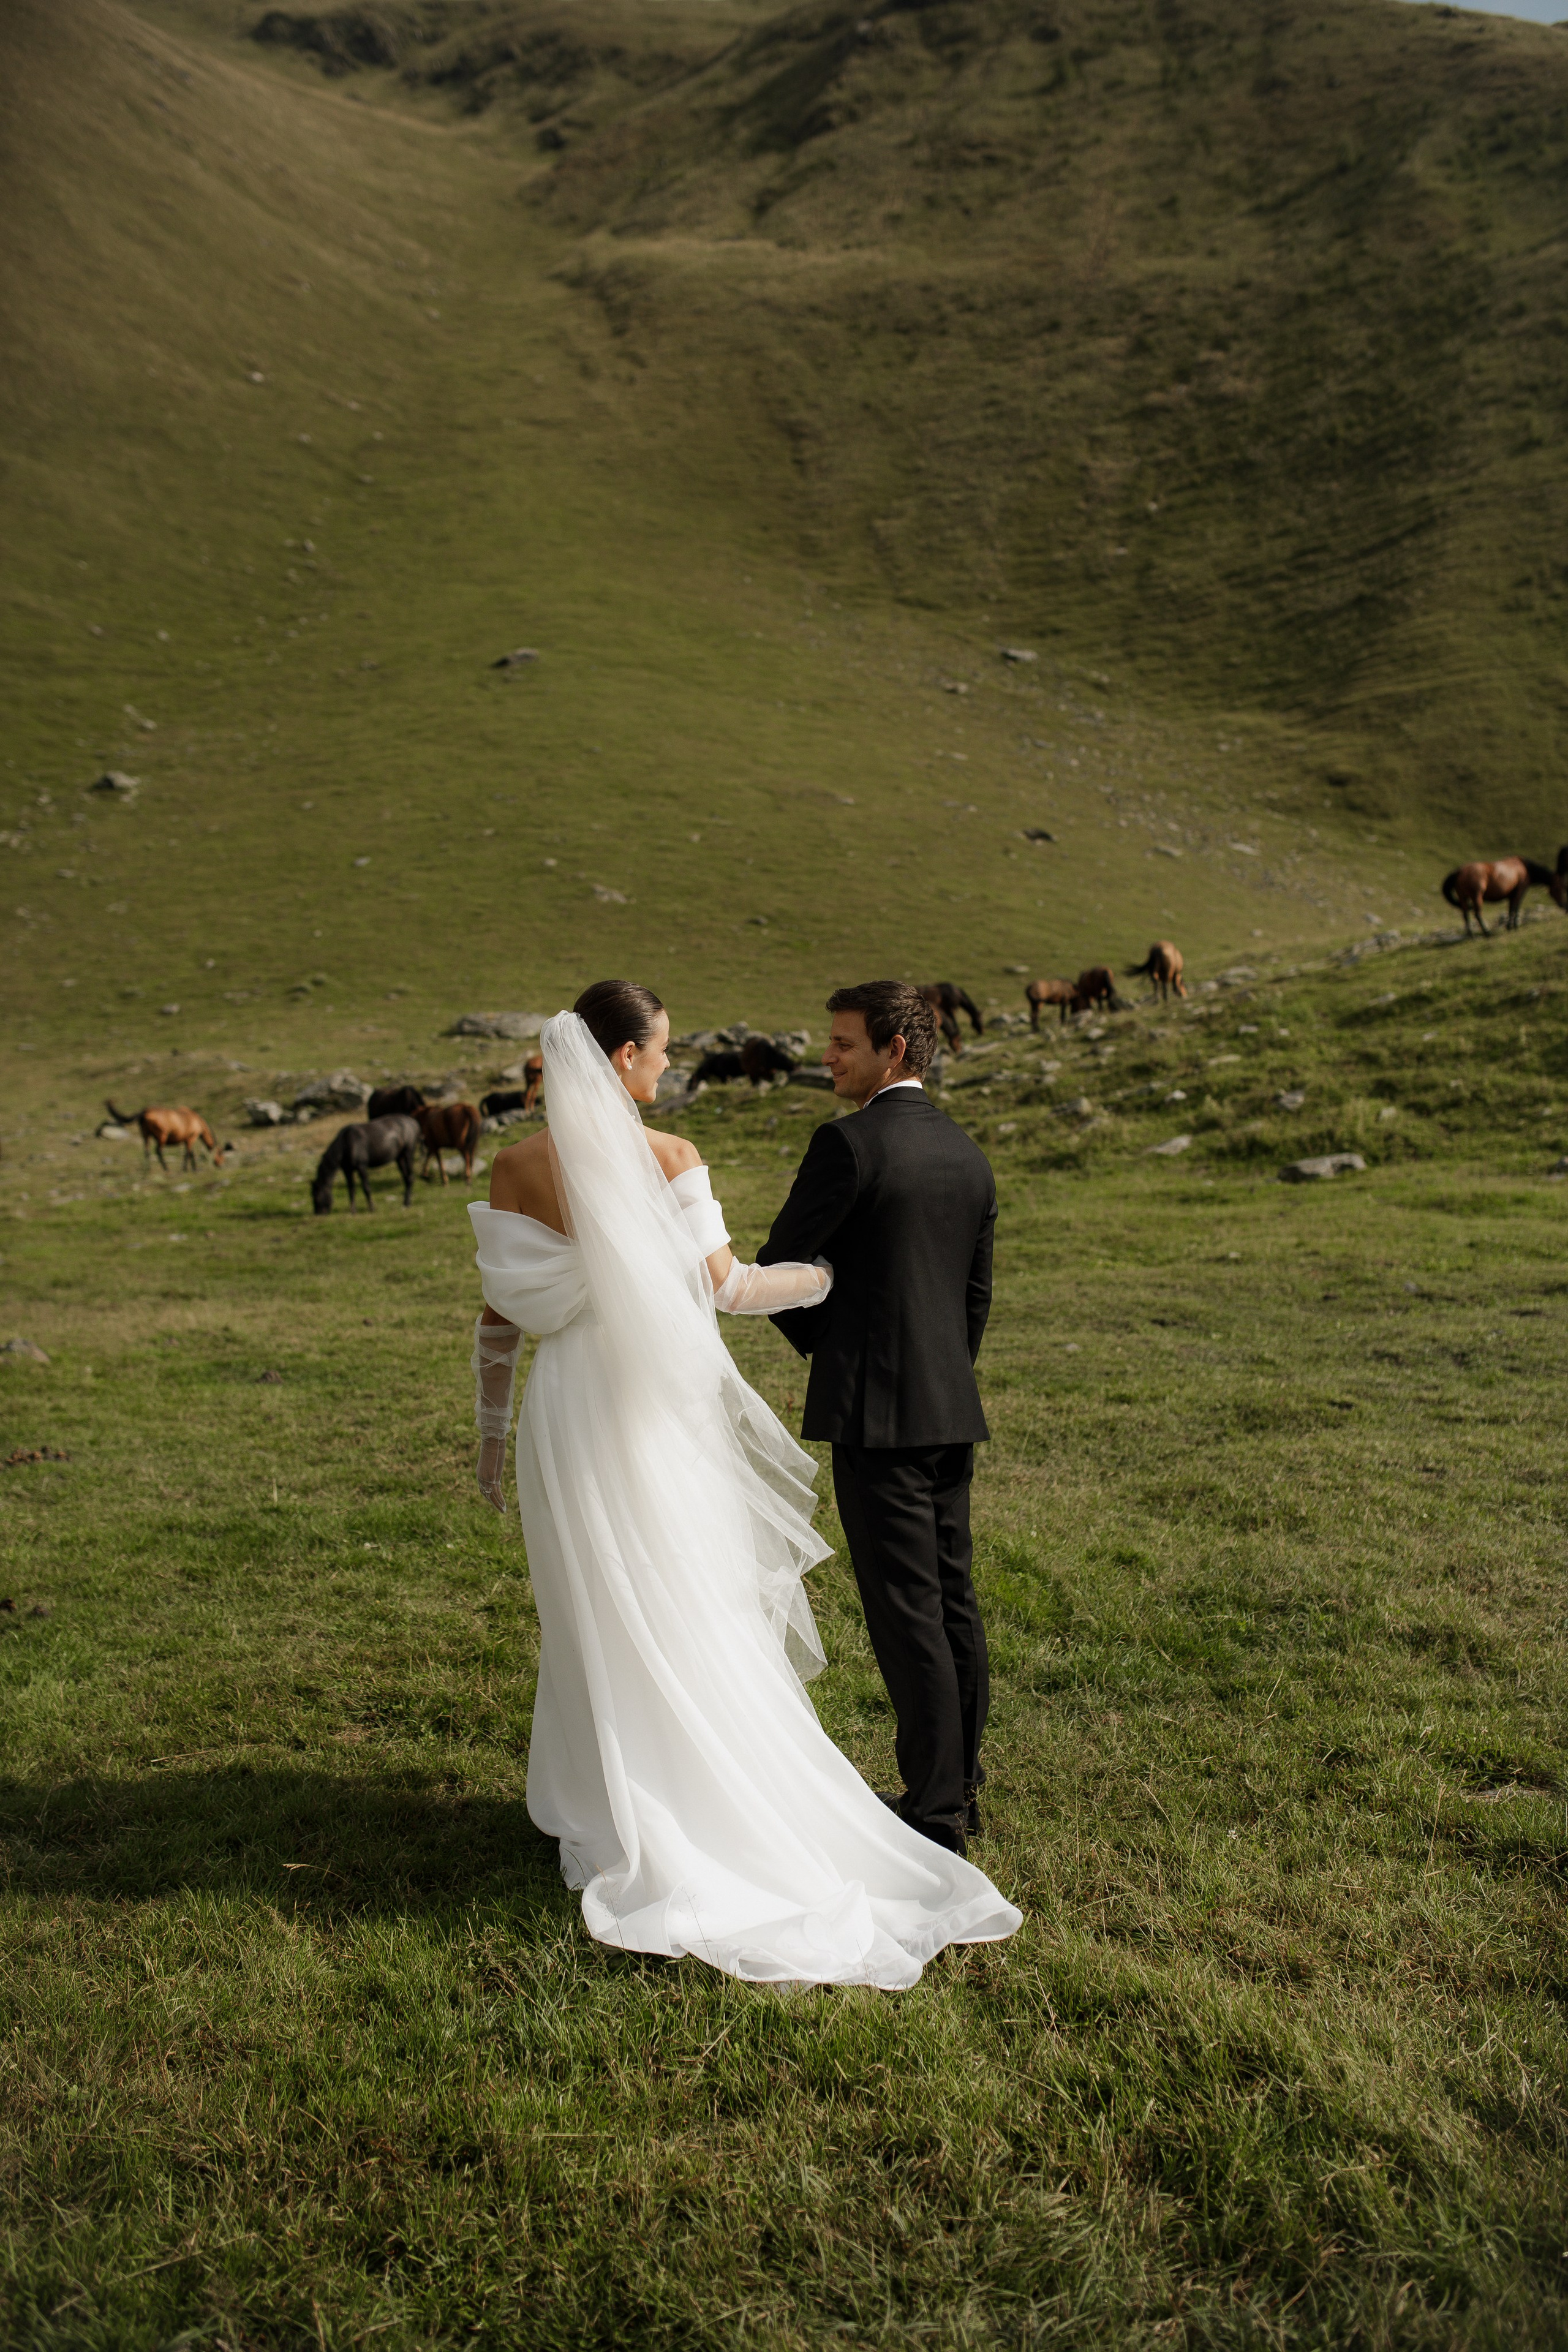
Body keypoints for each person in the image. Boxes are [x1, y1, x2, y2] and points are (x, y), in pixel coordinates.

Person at [467, 980, 1021, 1989]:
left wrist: (491, 1438)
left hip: (566, 1413)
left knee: (591, 1607)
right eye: (662, 1051)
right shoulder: (672, 1158)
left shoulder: (512, 1167)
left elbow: (499, 1316)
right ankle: (730, 1796)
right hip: (653, 1412)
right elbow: (733, 1287)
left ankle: (617, 1805)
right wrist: (836, 1282)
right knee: (692, 1601)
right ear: (624, 1059)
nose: (669, 1065)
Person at [759, 981, 997, 1857]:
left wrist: (839, 1349)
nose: (827, 1056)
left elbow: (780, 1266)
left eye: (843, 1043)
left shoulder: (849, 1144)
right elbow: (974, 1296)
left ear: (894, 1049)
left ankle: (934, 1816)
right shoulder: (968, 1153)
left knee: (908, 1617)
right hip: (949, 1407)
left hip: (876, 1416)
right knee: (952, 1600)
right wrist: (942, 1375)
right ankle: (960, 1789)